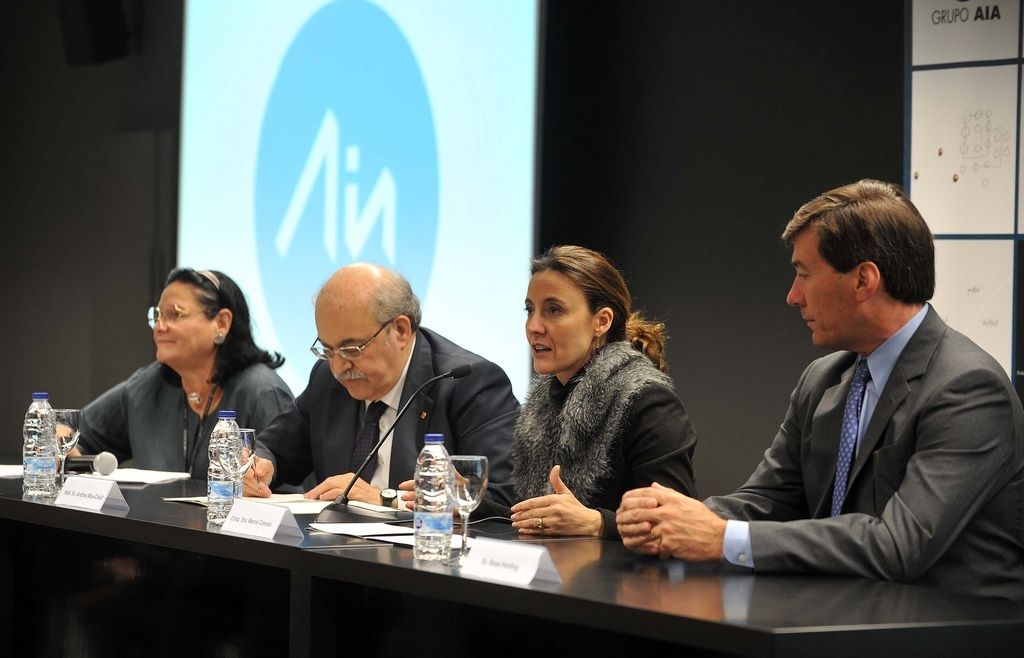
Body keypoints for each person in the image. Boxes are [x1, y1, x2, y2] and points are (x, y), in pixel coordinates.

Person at [616, 179, 1024, 600]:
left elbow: (900, 546)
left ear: (864, 281)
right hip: (845, 617)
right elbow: (769, 499)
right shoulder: (824, 379)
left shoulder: (968, 389)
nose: (793, 296)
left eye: (804, 274)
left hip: (950, 632)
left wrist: (722, 538)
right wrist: (668, 518)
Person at [246, 263, 519, 509]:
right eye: (328, 350)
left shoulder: (467, 383)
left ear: (400, 331)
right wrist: (260, 467)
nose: (339, 367)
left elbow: (502, 499)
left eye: (351, 349)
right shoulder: (326, 380)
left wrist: (384, 500)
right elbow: (275, 449)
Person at [504, 245, 697, 539]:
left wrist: (597, 523)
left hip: (624, 582)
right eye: (530, 310)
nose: (534, 326)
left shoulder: (648, 401)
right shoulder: (546, 399)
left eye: (553, 310)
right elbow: (529, 514)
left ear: (602, 321)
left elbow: (676, 522)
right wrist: (463, 500)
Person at [78, 268, 294, 478]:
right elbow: (74, 433)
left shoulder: (262, 391)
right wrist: (61, 439)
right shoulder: (147, 386)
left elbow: (288, 492)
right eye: (158, 315)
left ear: (222, 323)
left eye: (175, 314)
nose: (160, 327)